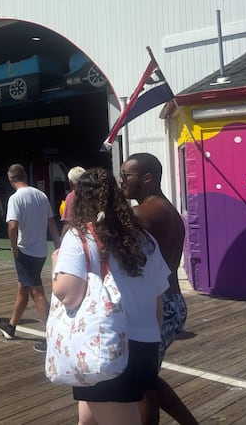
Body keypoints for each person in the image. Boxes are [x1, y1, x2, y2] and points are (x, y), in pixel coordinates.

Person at [52, 167, 171, 425]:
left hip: (105, 345)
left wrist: (55, 264)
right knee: (89, 420)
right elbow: (159, 294)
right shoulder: (144, 239)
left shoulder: (80, 236)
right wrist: (151, 336)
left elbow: (68, 294)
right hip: (145, 345)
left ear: (78, 199)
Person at [121, 153, 198, 425]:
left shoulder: (143, 213)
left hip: (158, 306)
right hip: (170, 302)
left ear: (147, 178)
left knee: (142, 383)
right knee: (146, 377)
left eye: (126, 175)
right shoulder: (167, 210)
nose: (121, 181)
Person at [0, 163, 60, 352]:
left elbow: (12, 226)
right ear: (25, 176)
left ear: (10, 179)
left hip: (25, 251)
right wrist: (58, 244)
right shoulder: (41, 195)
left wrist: (14, 248)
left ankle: (53, 336)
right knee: (23, 287)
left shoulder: (15, 199)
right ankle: (11, 326)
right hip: (41, 251)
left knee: (37, 292)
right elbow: (51, 223)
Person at [60, 166, 85, 238]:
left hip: (77, 236)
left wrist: (61, 239)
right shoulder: (92, 194)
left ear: (71, 183)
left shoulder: (71, 196)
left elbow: (68, 223)